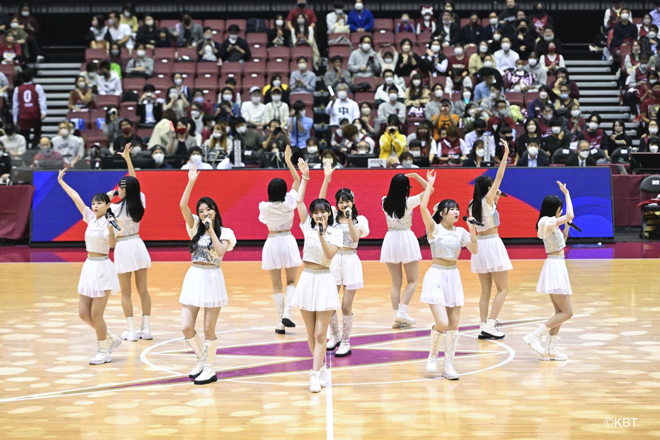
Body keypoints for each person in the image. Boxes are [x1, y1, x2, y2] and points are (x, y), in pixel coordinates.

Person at [178, 164, 236, 385]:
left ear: (215, 211)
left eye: (208, 209)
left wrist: (211, 229)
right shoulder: (193, 227)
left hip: (212, 277)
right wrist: (191, 181)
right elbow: (182, 205)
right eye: (201, 210)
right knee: (186, 326)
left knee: (208, 328)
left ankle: (210, 369)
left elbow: (220, 252)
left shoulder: (226, 232)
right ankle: (201, 359)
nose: (204, 213)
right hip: (194, 276)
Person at [57, 169, 122, 364]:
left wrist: (111, 230)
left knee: (96, 314)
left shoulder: (112, 222)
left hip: (103, 267)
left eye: (99, 203)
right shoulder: (90, 217)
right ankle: (110, 337)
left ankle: (103, 351)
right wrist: (61, 181)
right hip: (89, 266)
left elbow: (112, 245)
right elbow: (75, 197)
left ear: (108, 205)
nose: (94, 206)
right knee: (83, 314)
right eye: (93, 203)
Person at [289, 159, 343, 393]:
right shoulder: (306, 227)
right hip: (307, 280)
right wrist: (305, 177)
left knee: (321, 333)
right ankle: (319, 367)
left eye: (323, 211)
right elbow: (299, 201)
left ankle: (313, 374)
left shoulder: (336, 233)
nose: (320, 214)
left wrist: (321, 235)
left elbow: (329, 255)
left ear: (329, 213)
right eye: (316, 212)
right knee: (310, 333)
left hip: (324, 280)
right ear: (312, 214)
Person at [419, 170, 478, 379]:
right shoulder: (434, 229)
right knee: (442, 322)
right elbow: (423, 207)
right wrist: (429, 185)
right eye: (451, 209)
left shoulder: (461, 231)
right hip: (436, 275)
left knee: (454, 324)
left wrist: (472, 230)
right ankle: (433, 356)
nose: (455, 212)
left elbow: (474, 250)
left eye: (457, 209)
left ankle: (449, 365)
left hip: (453, 276)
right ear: (442, 213)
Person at [320, 167, 369, 357]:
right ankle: (335, 336)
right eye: (340, 202)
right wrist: (326, 179)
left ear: (352, 202)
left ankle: (346, 342)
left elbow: (355, 238)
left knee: (346, 306)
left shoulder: (360, 220)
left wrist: (349, 219)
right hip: (333, 261)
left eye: (347, 201)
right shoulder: (331, 216)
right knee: (330, 302)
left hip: (350, 261)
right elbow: (320, 202)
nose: (343, 204)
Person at [523, 182, 574, 361]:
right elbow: (570, 214)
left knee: (559, 311)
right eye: (560, 209)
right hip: (555, 266)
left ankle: (551, 349)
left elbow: (561, 243)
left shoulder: (551, 223)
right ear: (554, 208)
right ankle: (535, 335)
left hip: (557, 265)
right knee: (568, 312)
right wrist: (567, 194)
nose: (561, 212)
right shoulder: (547, 221)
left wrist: (567, 226)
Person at [469, 143, 513, 339]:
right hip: (493, 244)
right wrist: (506, 155)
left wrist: (497, 198)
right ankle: (491, 324)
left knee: (485, 291)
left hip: (480, 246)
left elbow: (489, 215)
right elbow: (500, 176)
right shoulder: (487, 200)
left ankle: (483, 325)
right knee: (503, 289)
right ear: (489, 188)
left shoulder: (473, 204)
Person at [109, 146, 153, 341]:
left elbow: (101, 205)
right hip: (137, 244)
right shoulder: (140, 201)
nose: (118, 189)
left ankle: (132, 331)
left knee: (126, 293)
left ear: (124, 190)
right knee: (143, 290)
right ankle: (146, 329)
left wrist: (110, 195)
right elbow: (134, 183)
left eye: (120, 187)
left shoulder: (114, 208)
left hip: (123, 246)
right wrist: (128, 160)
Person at [259, 146, 303, 334]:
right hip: (287, 240)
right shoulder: (290, 201)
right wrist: (288, 162)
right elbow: (297, 180)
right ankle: (288, 313)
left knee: (276, 285)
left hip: (272, 242)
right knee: (291, 281)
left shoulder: (264, 207)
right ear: (285, 190)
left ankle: (280, 322)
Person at [381, 173, 431, 329]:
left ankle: (397, 316)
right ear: (406, 187)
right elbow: (430, 189)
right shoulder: (409, 202)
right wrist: (417, 176)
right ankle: (402, 312)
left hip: (390, 238)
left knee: (395, 283)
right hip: (406, 238)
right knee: (412, 280)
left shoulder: (384, 201)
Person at [13, 69, 46, 149]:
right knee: (37, 133)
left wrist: (15, 119)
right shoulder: (37, 87)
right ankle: (34, 147)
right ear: (32, 78)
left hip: (23, 115)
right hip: (35, 113)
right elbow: (42, 100)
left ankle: (26, 149)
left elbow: (15, 105)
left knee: (24, 135)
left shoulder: (18, 89)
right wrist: (43, 112)